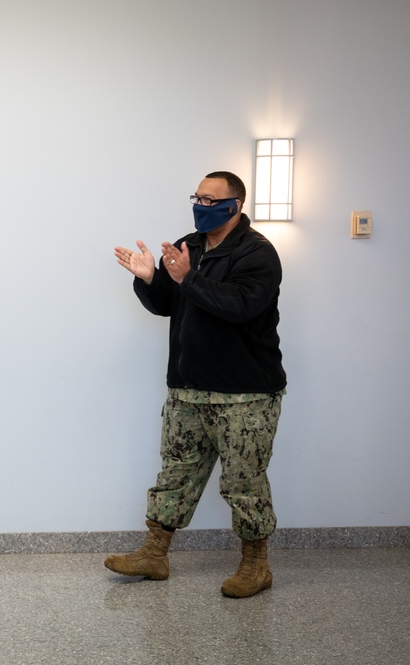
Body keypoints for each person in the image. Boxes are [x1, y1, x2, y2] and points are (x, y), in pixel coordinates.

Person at [108, 171, 286, 598]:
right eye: (197, 198)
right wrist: (150, 278)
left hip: (244, 393)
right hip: (188, 387)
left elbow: (240, 307)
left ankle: (255, 565)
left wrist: (189, 278)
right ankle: (155, 554)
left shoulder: (258, 253)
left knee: (244, 482)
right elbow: (169, 305)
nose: (201, 206)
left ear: (236, 205)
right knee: (176, 473)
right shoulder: (190, 245)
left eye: (211, 200)